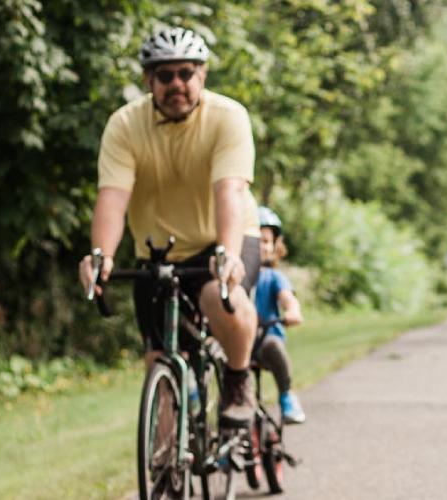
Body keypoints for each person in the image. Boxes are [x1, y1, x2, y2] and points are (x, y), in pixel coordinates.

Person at [78, 26, 262, 425]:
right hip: (157, 251)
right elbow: (112, 196)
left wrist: (228, 255)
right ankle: (164, 464)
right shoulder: (125, 125)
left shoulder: (228, 117)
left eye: (185, 73)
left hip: (223, 237)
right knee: (157, 361)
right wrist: (101, 256)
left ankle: (237, 378)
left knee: (220, 297)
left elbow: (229, 191)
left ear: (203, 75)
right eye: (165, 76)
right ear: (148, 80)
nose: (176, 84)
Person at [252, 206, 307, 424]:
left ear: (275, 246)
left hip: (264, 340)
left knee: (274, 346)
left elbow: (287, 298)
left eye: (266, 241)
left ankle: (287, 395)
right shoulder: (235, 278)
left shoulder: (274, 277)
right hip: (237, 343)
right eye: (254, 240)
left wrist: (292, 311)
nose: (261, 247)